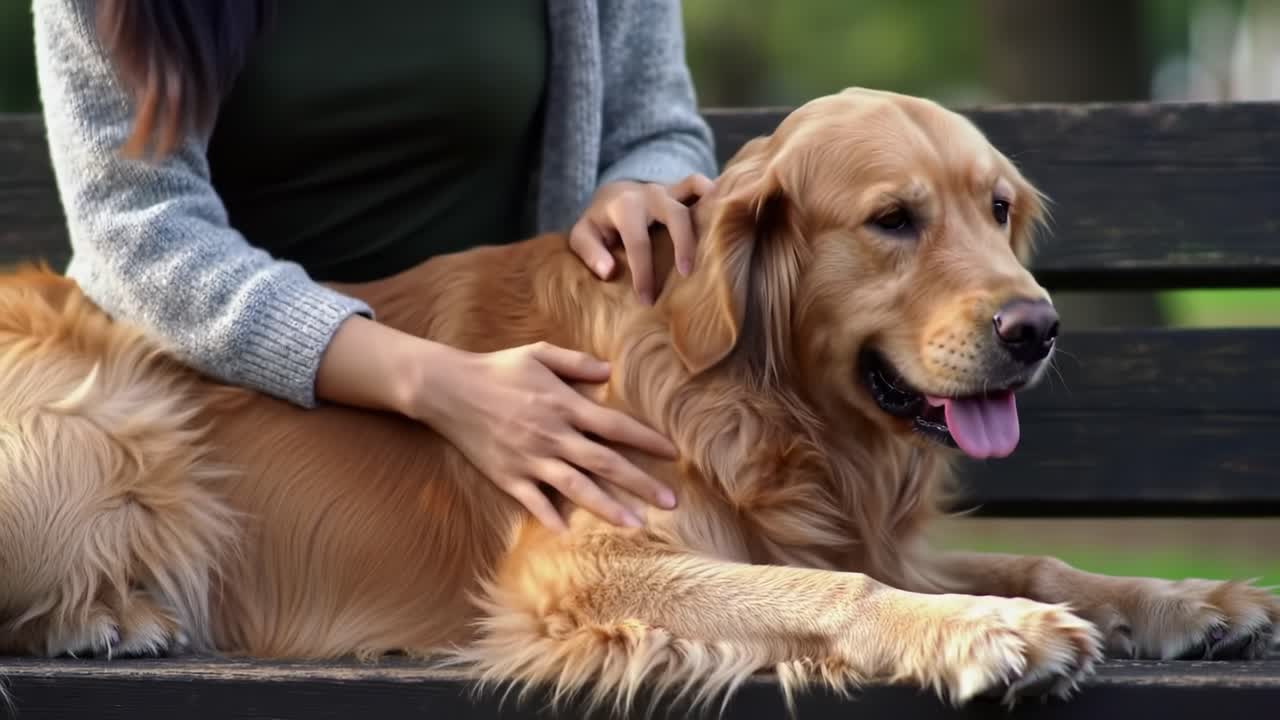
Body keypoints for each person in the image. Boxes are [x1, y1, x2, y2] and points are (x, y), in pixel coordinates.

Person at [32, 0, 719, 533]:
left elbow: (657, 131)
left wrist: (634, 187)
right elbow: (137, 230)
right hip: (202, 430)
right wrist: (432, 381)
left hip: (522, 399)